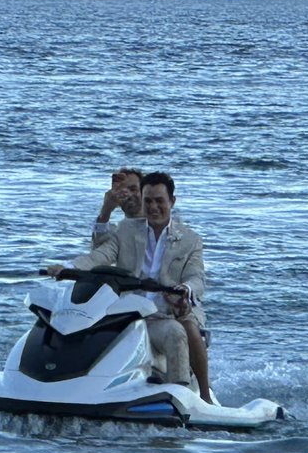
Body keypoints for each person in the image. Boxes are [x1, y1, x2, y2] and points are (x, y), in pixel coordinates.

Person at [74, 171, 213, 403]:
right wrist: (67, 268)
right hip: (129, 316)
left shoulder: (190, 240)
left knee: (180, 330)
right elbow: (99, 255)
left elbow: (197, 278)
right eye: (148, 201)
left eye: (160, 201)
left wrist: (184, 289)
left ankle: (184, 399)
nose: (153, 207)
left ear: (172, 202)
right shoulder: (126, 230)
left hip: (167, 315)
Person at [91, 167, 143, 244]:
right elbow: (99, 243)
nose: (128, 195)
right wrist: (106, 209)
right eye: (122, 191)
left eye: (133, 189)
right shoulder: (117, 234)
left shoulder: (159, 226)